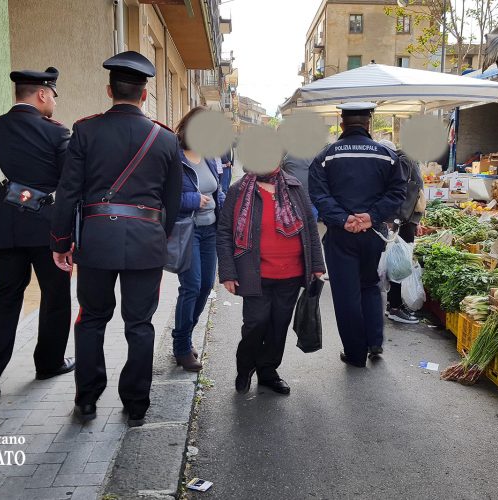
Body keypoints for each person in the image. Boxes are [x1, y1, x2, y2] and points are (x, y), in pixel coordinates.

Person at [50, 51, 182, 426]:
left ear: (110, 90)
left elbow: (68, 192)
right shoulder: (165, 138)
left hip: (96, 242)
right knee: (139, 325)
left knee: (91, 320)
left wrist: (61, 242)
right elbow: (171, 202)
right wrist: (158, 237)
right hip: (146, 241)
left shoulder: (86, 130)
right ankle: (136, 404)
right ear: (144, 95)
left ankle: (88, 401)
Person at [0, 67, 75, 403]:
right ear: (41, 93)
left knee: (4, 296)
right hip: (49, 232)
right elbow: (69, 188)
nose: (53, 101)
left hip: (4, 232)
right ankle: (49, 363)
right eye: (52, 94)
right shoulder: (56, 134)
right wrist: (70, 234)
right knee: (55, 297)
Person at [309, 102, 407, 368]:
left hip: (341, 235)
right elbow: (398, 193)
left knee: (346, 293)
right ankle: (374, 342)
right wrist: (371, 217)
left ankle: (355, 354)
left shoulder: (326, 156)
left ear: (342, 124)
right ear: (369, 124)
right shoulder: (387, 156)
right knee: (370, 286)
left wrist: (344, 218)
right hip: (373, 233)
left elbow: (318, 194)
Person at [217, 163, 325, 395]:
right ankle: (245, 368)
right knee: (256, 324)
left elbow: (310, 228)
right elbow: (224, 230)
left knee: (278, 326)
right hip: (255, 273)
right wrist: (227, 271)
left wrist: (317, 265)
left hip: (291, 273)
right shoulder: (239, 189)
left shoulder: (294, 186)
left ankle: (267, 371)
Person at [171, 107, 225, 372]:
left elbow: (218, 192)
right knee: (191, 287)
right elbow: (163, 197)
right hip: (187, 230)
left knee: (205, 287)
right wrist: (193, 200)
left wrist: (226, 212)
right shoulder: (174, 157)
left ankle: (184, 335)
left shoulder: (210, 156)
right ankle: (181, 347)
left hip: (210, 231)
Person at [377, 139, 424, 325]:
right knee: (399, 262)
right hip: (402, 221)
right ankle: (394, 307)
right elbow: (399, 191)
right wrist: (394, 219)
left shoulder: (410, 160)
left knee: (400, 260)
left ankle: (394, 305)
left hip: (407, 220)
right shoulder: (405, 160)